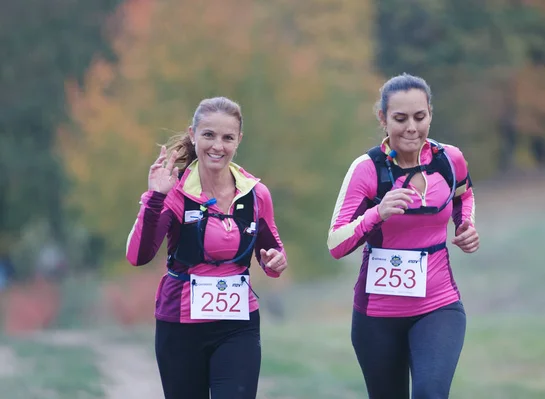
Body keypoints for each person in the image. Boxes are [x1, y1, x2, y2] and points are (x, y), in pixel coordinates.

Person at [327, 73, 479, 399]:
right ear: (383, 119)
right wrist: (377, 213)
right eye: (400, 118)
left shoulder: (450, 160)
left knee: (430, 393)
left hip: (438, 305)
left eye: (419, 117)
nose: (411, 127)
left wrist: (465, 226)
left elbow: (463, 196)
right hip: (377, 316)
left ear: (430, 115)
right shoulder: (366, 169)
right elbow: (336, 244)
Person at [126, 96, 287, 399]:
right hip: (181, 324)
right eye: (209, 135)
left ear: (238, 140)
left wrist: (275, 261)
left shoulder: (256, 193)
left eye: (227, 137)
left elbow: (272, 251)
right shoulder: (174, 193)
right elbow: (138, 256)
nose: (218, 146)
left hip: (237, 324)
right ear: (193, 135)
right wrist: (154, 198)